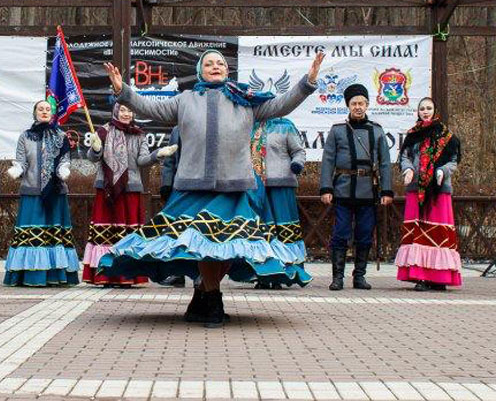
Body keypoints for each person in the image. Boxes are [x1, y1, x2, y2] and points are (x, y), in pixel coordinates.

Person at [99, 50, 323, 326]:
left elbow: (280, 106)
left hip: (232, 188)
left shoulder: (245, 102)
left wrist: (307, 82)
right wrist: (123, 90)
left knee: (223, 246)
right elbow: (149, 107)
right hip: (192, 188)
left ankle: (205, 296)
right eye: (209, 63)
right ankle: (209, 297)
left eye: (220, 63)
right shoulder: (185, 100)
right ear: (200, 70)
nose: (215, 67)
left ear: (228, 71)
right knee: (197, 245)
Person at [83, 103, 177, 287]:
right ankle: (105, 274)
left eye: (130, 110)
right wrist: (95, 148)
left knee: (128, 234)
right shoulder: (103, 131)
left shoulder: (139, 134)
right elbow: (93, 158)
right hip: (107, 190)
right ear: (116, 112)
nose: (127, 114)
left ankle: (128, 275)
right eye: (123, 110)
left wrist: (158, 154)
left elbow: (142, 161)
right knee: (106, 234)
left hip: (130, 189)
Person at [320, 84, 393, 291]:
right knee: (340, 233)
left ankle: (359, 276)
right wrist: (326, 188)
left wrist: (386, 190)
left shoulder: (377, 131)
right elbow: (328, 161)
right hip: (343, 190)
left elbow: (385, 163)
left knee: (364, 233)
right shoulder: (337, 131)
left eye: (361, 103)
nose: (358, 107)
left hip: (368, 192)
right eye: (354, 103)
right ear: (348, 105)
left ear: (367, 104)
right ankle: (337, 278)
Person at [3, 100, 78, 286]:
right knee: (30, 234)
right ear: (34, 113)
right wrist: (17, 169)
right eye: (41, 109)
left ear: (52, 113)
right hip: (32, 192)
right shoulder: (25, 136)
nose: (44, 112)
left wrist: (63, 170)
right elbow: (21, 159)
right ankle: (28, 275)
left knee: (54, 233)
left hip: (56, 192)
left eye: (48, 109)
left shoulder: (61, 136)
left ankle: (56, 275)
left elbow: (64, 159)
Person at [395, 97, 462, 291]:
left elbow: (453, 161)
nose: (425, 111)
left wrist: (443, 171)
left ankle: (439, 277)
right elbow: (405, 157)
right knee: (418, 233)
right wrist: (407, 170)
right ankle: (421, 276)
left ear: (435, 110)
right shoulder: (413, 134)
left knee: (437, 232)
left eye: (429, 108)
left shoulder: (446, 136)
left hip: (439, 190)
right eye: (422, 108)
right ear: (418, 111)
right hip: (416, 189)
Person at [250, 118, 309, 289]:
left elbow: (299, 151)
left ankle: (286, 273)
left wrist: (296, 164)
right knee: (262, 231)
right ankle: (264, 273)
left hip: (281, 185)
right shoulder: (249, 124)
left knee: (285, 230)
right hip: (256, 186)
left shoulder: (285, 126)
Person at [158, 126, 185, 288]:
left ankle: (203, 276)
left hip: (206, 188)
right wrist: (166, 185)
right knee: (177, 230)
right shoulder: (178, 129)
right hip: (180, 186)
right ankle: (178, 273)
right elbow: (169, 162)